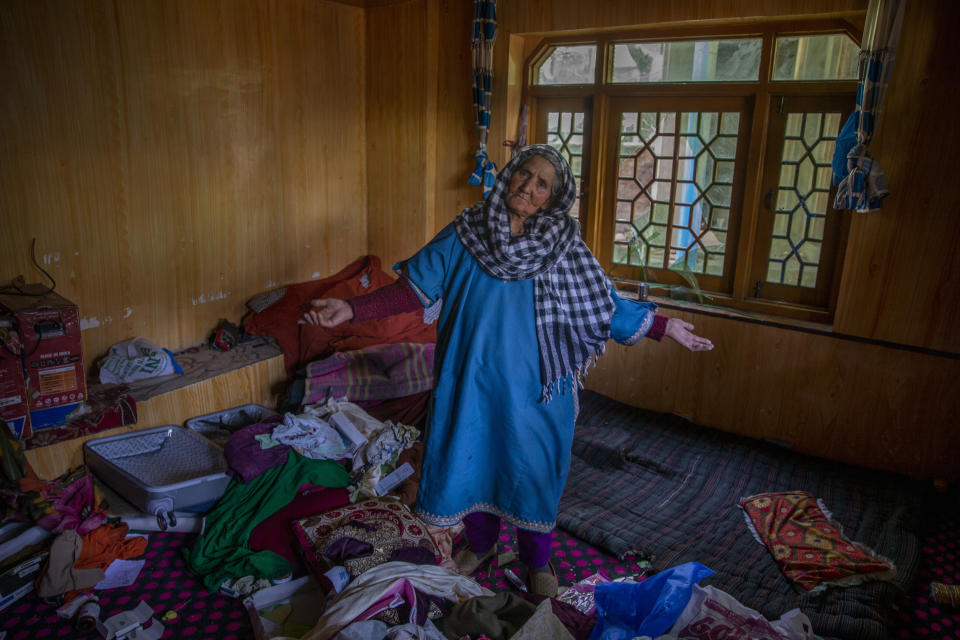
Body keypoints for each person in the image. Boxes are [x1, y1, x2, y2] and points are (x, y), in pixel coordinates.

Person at [302, 145, 713, 596]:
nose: (529, 187)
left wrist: (662, 325)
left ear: (553, 198)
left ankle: (537, 562)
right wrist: (349, 309)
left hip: (538, 389)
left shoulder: (563, 245)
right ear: (509, 176)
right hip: (471, 380)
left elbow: (603, 302)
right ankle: (479, 547)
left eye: (543, 184)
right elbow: (412, 291)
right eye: (524, 175)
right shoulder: (465, 233)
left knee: (533, 472)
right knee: (472, 464)